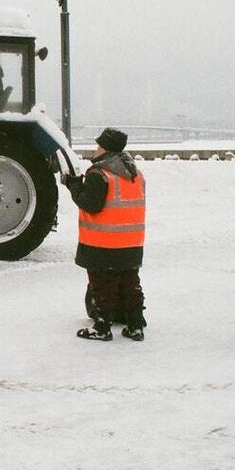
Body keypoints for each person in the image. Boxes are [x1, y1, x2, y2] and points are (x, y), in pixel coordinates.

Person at [65, 128, 148, 342]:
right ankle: (135, 325)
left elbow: (90, 205)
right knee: (130, 283)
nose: (96, 148)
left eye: (99, 145)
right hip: (131, 242)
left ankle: (102, 327)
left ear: (105, 147)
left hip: (103, 242)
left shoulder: (99, 173)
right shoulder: (135, 173)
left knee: (103, 285)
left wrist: (74, 187)